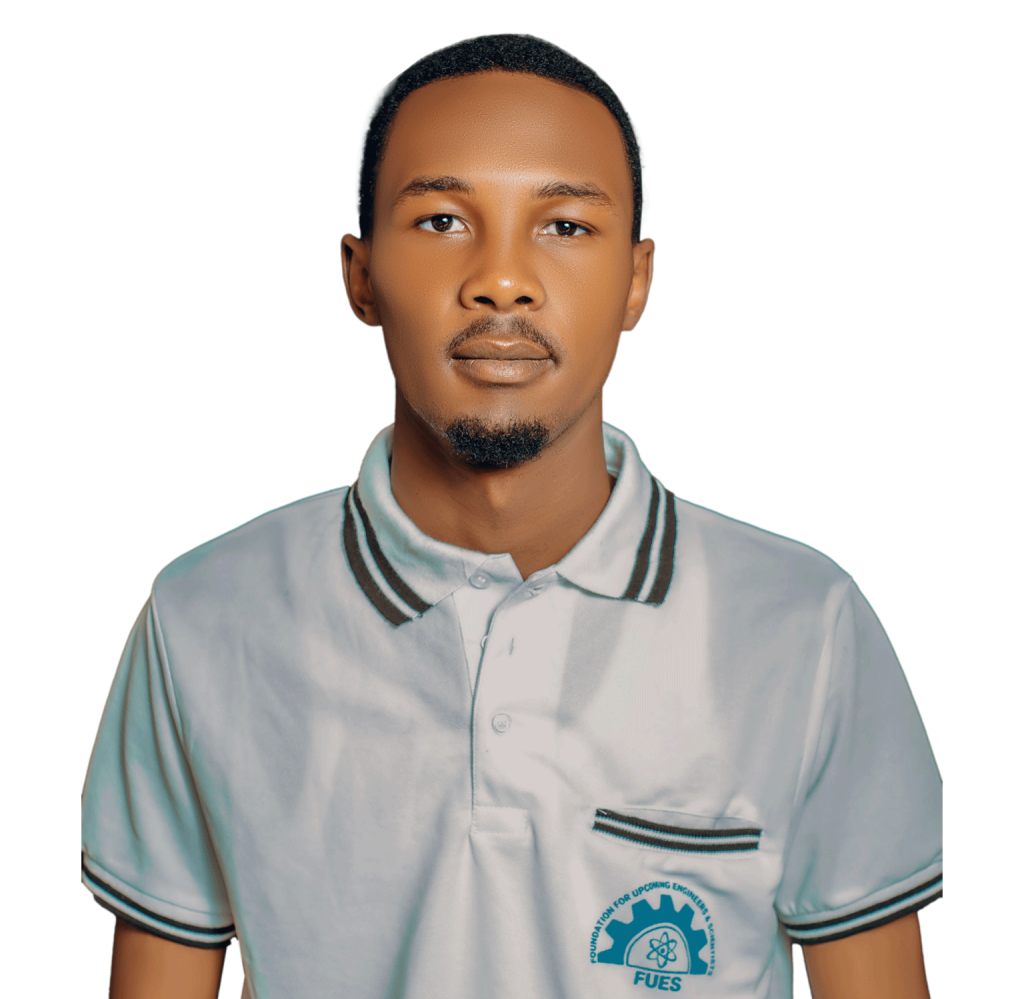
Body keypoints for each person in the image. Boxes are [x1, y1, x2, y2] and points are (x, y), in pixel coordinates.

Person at [81, 34, 942, 999]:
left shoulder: (804, 627)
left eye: (565, 226)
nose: (501, 279)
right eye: (443, 219)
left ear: (636, 280)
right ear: (360, 276)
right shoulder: (205, 619)